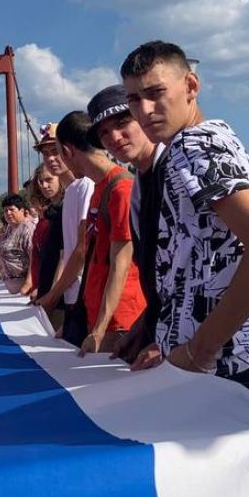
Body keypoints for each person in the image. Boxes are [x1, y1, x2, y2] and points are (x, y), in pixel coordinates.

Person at [122, 41, 249, 391]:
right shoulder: (213, 137)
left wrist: (198, 350)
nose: (145, 109)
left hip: (221, 368)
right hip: (226, 357)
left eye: (156, 93)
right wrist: (171, 338)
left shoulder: (193, 146)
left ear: (191, 86)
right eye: (134, 99)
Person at [55, 99, 146, 355]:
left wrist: (98, 329)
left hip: (119, 323)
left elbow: (121, 263)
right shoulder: (99, 189)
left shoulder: (122, 189)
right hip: (99, 318)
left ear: (66, 151)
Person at [86, 89, 164, 365]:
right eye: (104, 133)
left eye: (122, 124)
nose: (114, 138)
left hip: (221, 353)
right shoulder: (141, 182)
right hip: (162, 334)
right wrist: (145, 326)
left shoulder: (180, 167)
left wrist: (194, 347)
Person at [32, 123, 95, 344]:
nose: (50, 158)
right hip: (72, 297)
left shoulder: (86, 187)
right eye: (45, 153)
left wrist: (52, 295)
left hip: (84, 298)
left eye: (55, 150)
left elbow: (82, 250)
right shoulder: (69, 193)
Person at [27, 162, 64, 301]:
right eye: (40, 181)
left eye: (49, 180)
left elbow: (65, 255)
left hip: (59, 293)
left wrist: (52, 295)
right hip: (46, 287)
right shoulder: (52, 213)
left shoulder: (63, 211)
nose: (43, 185)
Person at [0, 192, 36, 294]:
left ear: (22, 210)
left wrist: (28, 283)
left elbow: (34, 258)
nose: (8, 213)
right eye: (5, 211)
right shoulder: (9, 228)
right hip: (12, 286)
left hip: (25, 288)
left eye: (12, 210)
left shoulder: (27, 229)